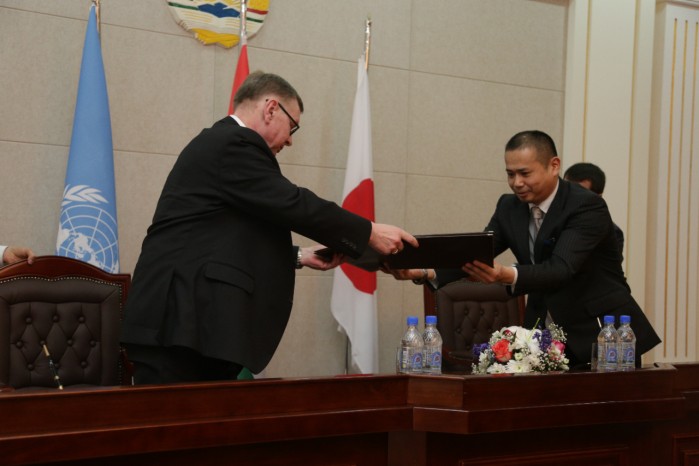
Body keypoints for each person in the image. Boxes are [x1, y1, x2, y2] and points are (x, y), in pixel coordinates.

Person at [120, 71, 417, 384]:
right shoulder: (233, 143)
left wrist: (299, 256)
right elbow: (292, 203)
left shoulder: (222, 146)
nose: (290, 139)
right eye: (293, 127)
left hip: (188, 326)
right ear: (271, 108)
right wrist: (369, 232)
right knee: (177, 429)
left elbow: (221, 236)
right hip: (179, 324)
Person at [388, 130, 660, 369]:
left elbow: (561, 269)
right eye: (510, 173)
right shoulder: (509, 206)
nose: (516, 182)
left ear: (554, 166)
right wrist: (424, 270)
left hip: (602, 331)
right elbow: (476, 254)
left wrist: (507, 274)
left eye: (525, 173)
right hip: (542, 331)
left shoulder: (586, 206)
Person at [564, 162, 624, 254]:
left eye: (579, 193)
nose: (570, 198)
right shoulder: (547, 219)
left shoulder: (613, 233)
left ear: (598, 198)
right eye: (567, 190)